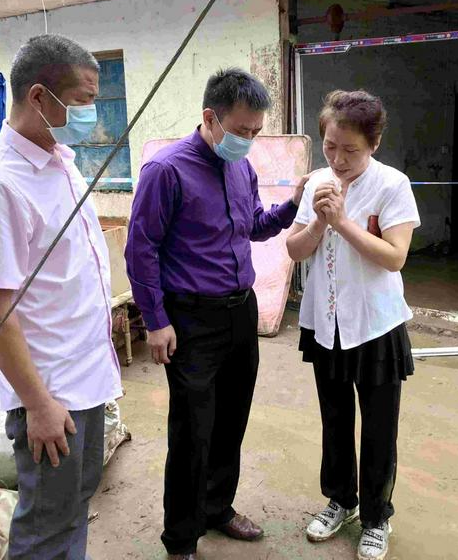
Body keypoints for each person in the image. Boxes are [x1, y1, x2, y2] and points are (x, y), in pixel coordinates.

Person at [126, 68, 310, 560]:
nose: (250, 140)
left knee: (231, 420)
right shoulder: (166, 171)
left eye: (256, 131)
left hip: (239, 315)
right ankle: (182, 538)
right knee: (192, 430)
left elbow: (253, 225)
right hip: (189, 320)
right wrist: (156, 321)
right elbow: (141, 250)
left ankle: (217, 507)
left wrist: (292, 204)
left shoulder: (239, 167)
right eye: (243, 130)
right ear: (211, 118)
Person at [0, 34, 122, 560]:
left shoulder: (61, 160)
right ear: (37, 97)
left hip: (87, 378)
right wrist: (38, 404)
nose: (90, 113)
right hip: (51, 392)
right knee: (46, 524)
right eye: (79, 101)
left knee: (74, 504)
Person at [286, 90, 421, 560]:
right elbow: (294, 250)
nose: (338, 159)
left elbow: (395, 257)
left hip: (375, 326)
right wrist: (319, 222)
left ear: (375, 143)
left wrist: (342, 222)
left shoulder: (393, 186)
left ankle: (376, 516)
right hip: (326, 323)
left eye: (351, 150)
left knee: (380, 426)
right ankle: (340, 500)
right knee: (335, 419)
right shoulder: (317, 183)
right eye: (330, 146)